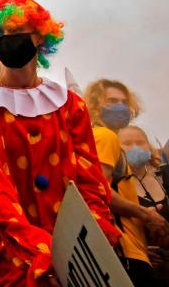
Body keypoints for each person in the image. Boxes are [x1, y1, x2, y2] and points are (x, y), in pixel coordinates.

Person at [0, 0, 120, 286]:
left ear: (40, 37)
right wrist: (40, 251)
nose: (9, 39)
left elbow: (91, 182)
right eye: (2, 34)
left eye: (18, 31)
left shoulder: (71, 104)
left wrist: (95, 240)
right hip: (8, 253)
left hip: (75, 249)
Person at [84, 78, 169, 285]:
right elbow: (99, 191)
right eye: (111, 101)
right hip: (126, 254)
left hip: (129, 251)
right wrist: (146, 214)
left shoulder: (97, 137)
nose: (120, 107)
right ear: (95, 105)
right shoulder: (106, 137)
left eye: (124, 102)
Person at [119, 125, 169, 280]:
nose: (135, 147)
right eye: (127, 143)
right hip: (144, 268)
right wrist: (140, 250)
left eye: (140, 142)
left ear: (148, 145)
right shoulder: (116, 186)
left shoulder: (165, 174)